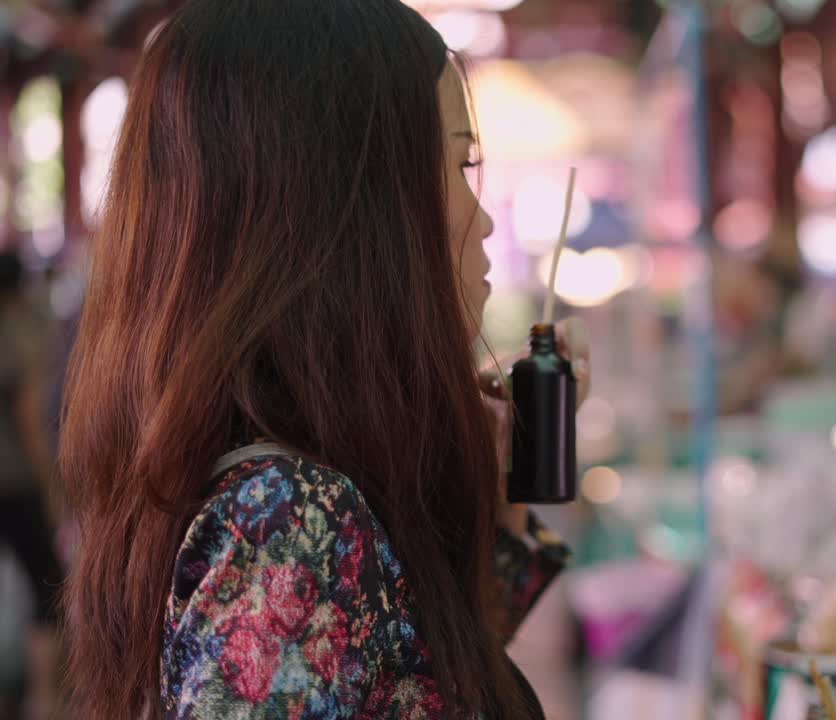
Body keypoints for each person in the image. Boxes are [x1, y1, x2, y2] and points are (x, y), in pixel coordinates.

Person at [58, 2, 590, 718]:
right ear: (360, 207)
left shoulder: (297, 491)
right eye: (461, 164)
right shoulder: (287, 519)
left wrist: (502, 480)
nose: (483, 215)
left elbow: (417, 677)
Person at [0, 250, 62, 719]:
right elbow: (28, 422)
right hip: (16, 485)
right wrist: (51, 487)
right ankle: (41, 700)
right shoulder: (18, 337)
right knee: (48, 586)